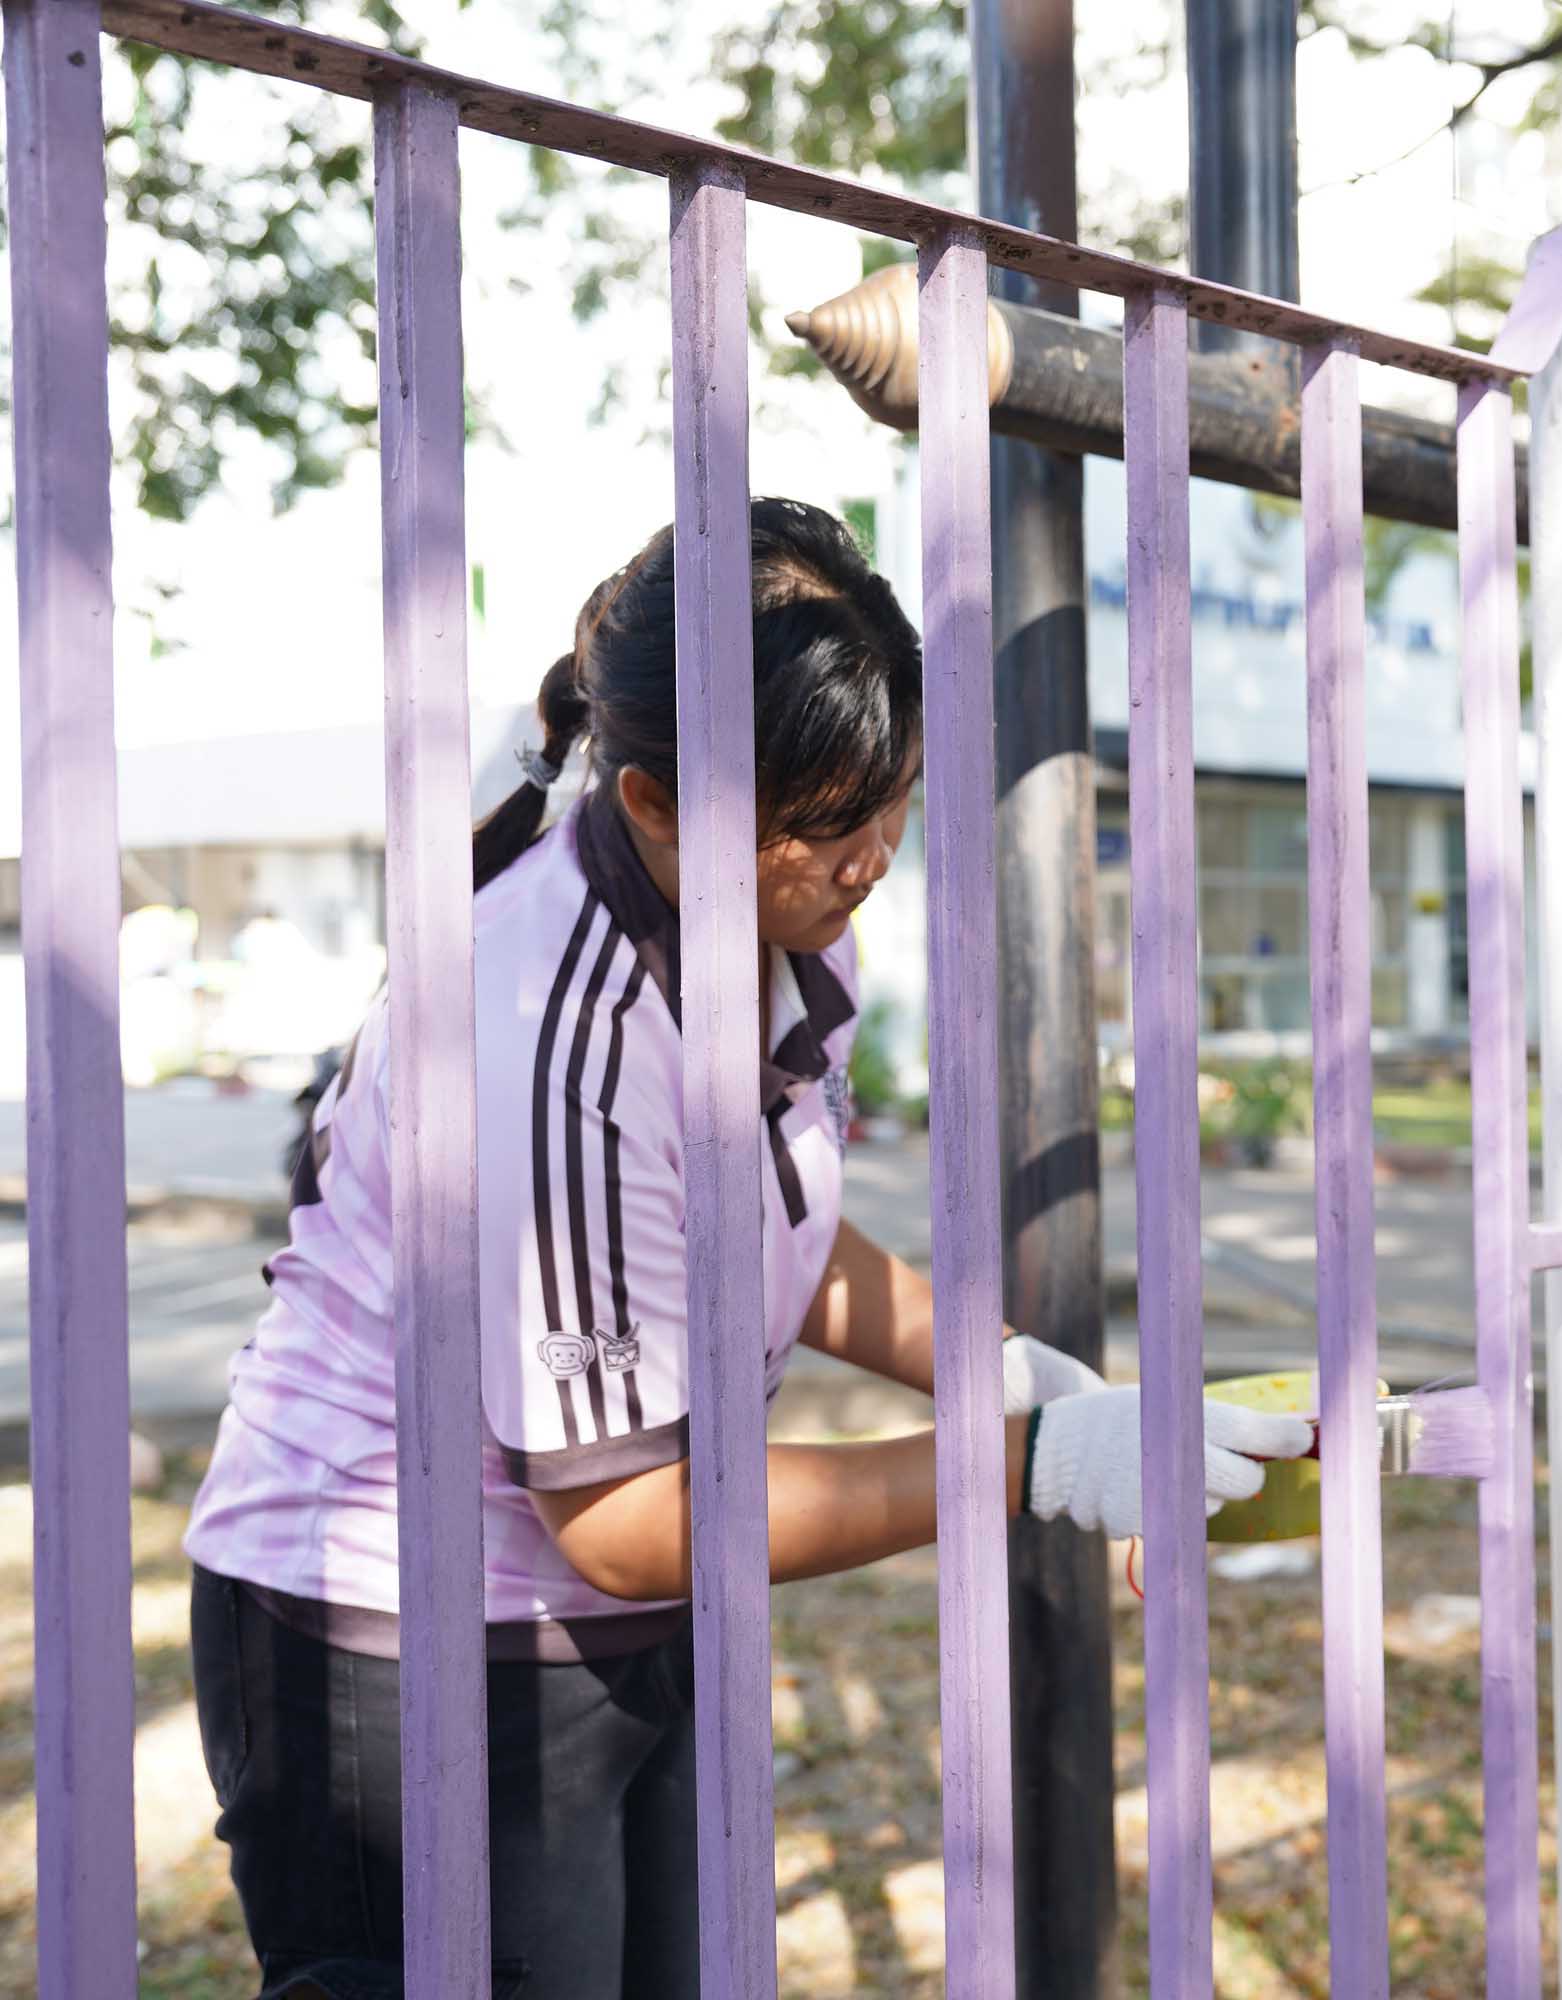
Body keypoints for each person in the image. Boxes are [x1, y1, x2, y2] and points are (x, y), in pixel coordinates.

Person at [183, 498, 1310, 1997]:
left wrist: (1013, 1373)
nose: (873, 861)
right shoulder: (553, 1032)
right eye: (832, 824)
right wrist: (1022, 1457)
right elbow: (622, 1514)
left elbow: (776, 1233)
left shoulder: (768, 922)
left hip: (630, 1615)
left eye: (893, 800)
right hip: (405, 1643)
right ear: (655, 800)